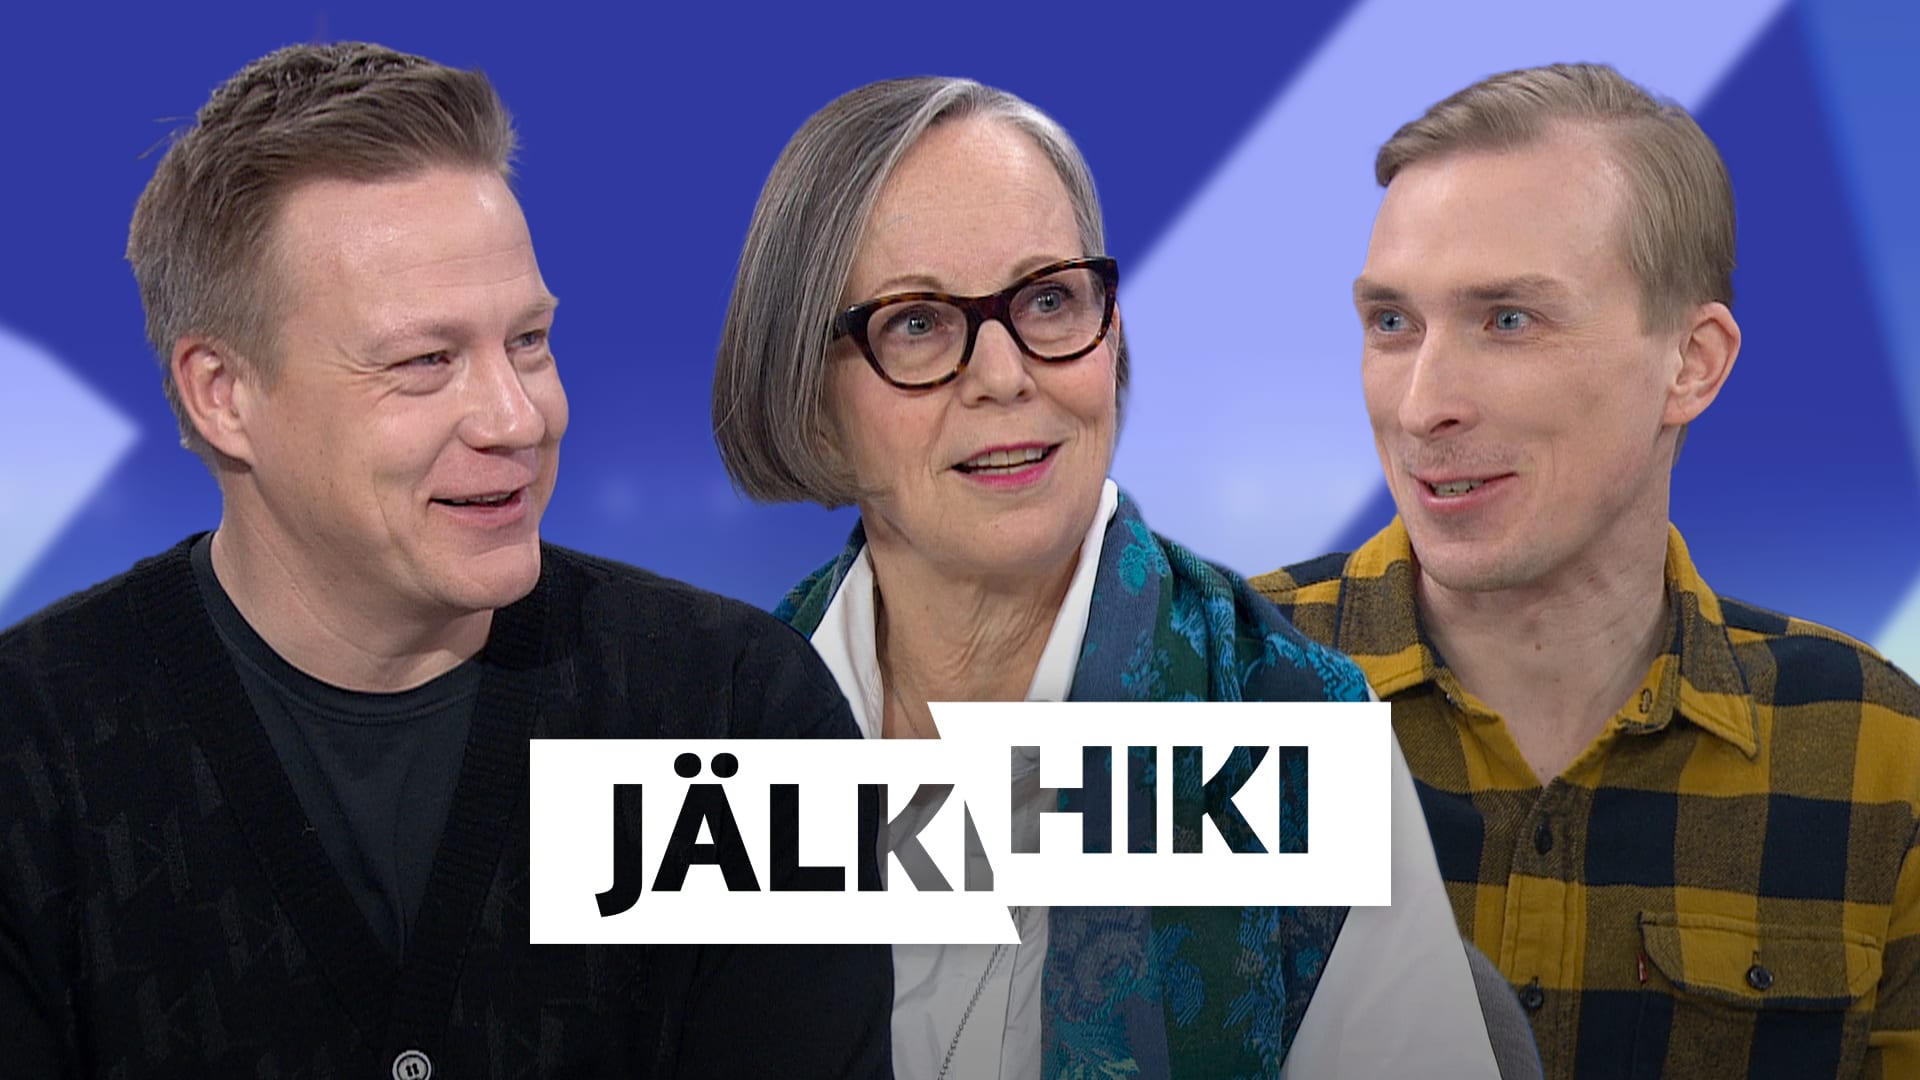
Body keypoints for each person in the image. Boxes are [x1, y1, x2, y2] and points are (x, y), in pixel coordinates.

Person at [0, 42, 890, 1077]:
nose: (518, 418)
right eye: (425, 361)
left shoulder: (737, 712)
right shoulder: (31, 752)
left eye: (529, 341)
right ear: (223, 395)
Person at [713, 75, 1504, 1079]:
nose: (1004, 376)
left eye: (1048, 301)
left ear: (1111, 328)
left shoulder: (1293, 727)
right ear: (810, 395)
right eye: (917, 323)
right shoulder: (717, 725)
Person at [1253, 62, 1920, 1079]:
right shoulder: (1192, 686)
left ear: (1691, 362)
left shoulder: (1880, 752)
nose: (1421, 406)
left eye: (1508, 320)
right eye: (1393, 323)